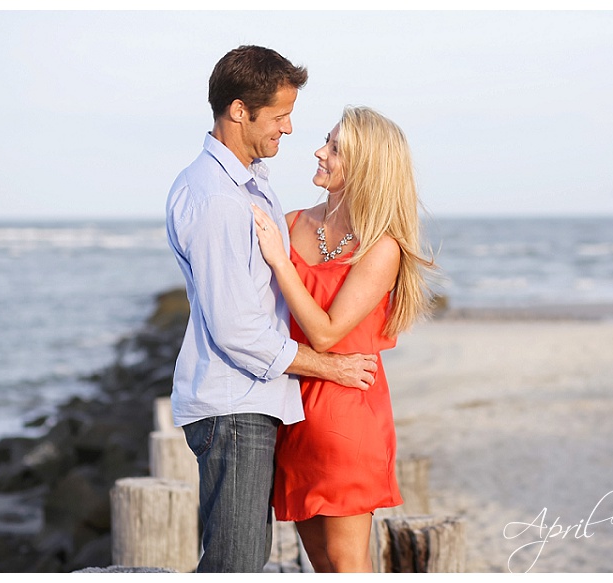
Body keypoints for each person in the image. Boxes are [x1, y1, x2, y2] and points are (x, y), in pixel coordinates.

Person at [165, 46, 379, 573]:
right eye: (280, 115)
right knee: (236, 565)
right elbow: (238, 328)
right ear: (240, 111)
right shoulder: (220, 198)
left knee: (244, 559)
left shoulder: (249, 185)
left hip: (253, 402)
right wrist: (327, 365)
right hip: (233, 403)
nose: (288, 128)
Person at [252, 105, 435, 572]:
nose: (319, 151)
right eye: (326, 141)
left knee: (348, 567)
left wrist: (280, 262)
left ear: (366, 166)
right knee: (322, 568)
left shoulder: (381, 248)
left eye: (334, 147)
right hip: (291, 408)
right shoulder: (291, 222)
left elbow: (327, 332)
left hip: (346, 411)